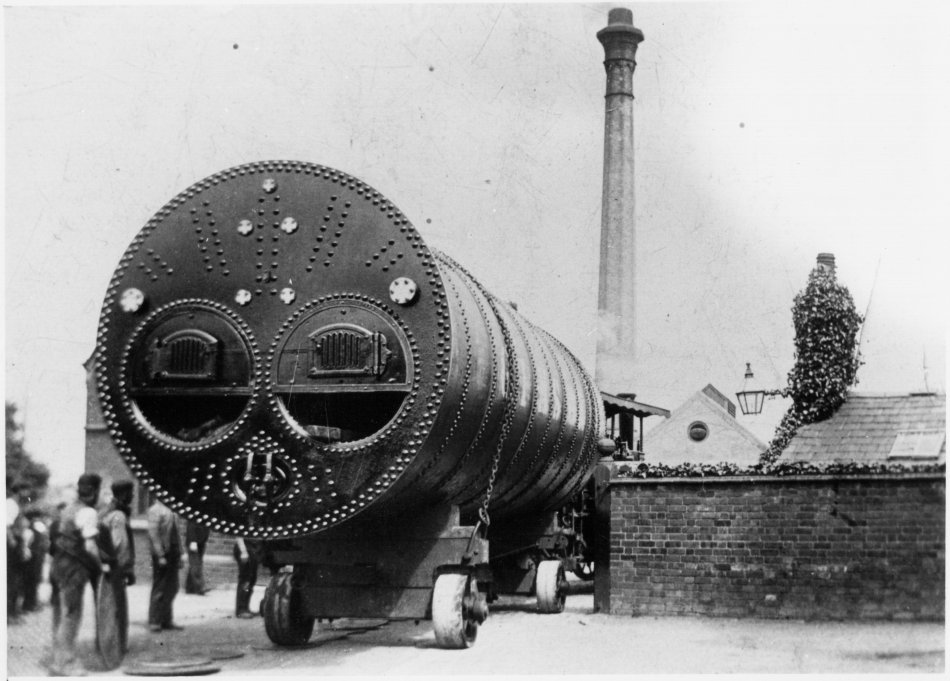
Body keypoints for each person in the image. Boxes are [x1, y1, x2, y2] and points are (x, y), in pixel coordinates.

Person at [48, 473, 106, 676]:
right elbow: (90, 546)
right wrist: (102, 566)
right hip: (73, 569)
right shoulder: (88, 512)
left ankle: (57, 660)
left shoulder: (68, 509)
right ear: (95, 491)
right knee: (71, 615)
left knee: (59, 614)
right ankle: (66, 664)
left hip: (57, 566)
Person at [99, 480, 136, 652]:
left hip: (106, 567)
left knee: (106, 607)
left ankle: (106, 644)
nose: (133, 496)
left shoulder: (107, 512)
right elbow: (120, 544)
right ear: (123, 494)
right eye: (130, 493)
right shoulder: (119, 516)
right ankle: (116, 646)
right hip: (116, 568)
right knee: (117, 608)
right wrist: (127, 569)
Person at [147, 496, 183, 632]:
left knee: (172, 587)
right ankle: (154, 621)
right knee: (160, 587)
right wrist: (160, 554)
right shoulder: (155, 510)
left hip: (173, 552)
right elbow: (153, 534)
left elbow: (177, 534)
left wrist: (180, 554)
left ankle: (166, 620)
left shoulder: (172, 511)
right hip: (162, 553)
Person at [21, 507, 50, 613]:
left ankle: (27, 603)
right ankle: (30, 604)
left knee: (28, 580)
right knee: (34, 579)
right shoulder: (39, 526)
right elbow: (45, 541)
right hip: (36, 556)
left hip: (30, 555)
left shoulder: (29, 525)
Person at [233, 537, 260, 618]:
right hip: (244, 548)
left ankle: (246, 608)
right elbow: (238, 536)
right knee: (245, 579)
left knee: (251, 579)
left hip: (252, 548)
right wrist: (243, 551)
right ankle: (241, 610)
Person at [184, 519, 211, 595]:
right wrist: (193, 541)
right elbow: (191, 526)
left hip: (201, 542)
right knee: (195, 564)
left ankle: (189, 588)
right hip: (194, 542)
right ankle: (200, 587)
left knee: (195, 564)